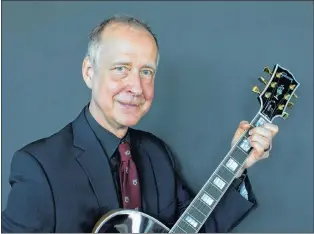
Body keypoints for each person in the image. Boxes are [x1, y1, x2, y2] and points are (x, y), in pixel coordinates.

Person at [1, 15, 279, 233]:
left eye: (146, 72)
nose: (136, 87)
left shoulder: (157, 154)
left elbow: (197, 228)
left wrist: (238, 165)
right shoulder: (40, 167)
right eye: (121, 68)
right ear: (89, 72)